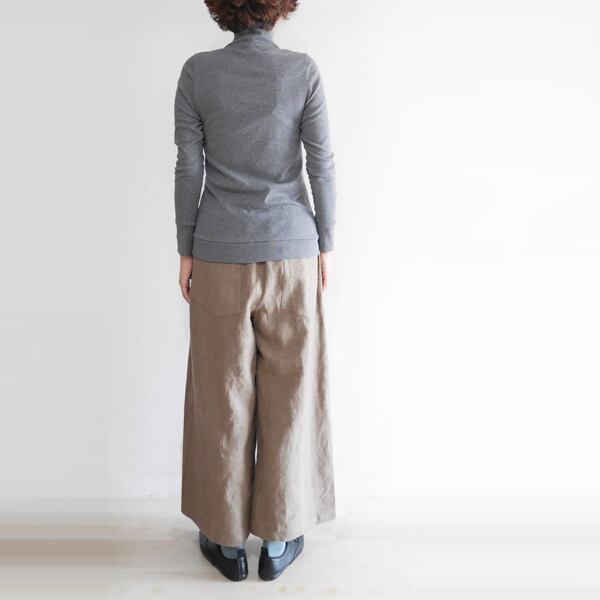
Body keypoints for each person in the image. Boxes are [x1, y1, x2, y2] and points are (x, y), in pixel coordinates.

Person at [173, 0, 337, 582]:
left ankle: (225, 541)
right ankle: (278, 539)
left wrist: (186, 249)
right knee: (291, 394)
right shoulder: (302, 71)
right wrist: (325, 243)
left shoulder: (198, 72)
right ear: (279, 8)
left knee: (222, 394)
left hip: (219, 252)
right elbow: (321, 163)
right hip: (292, 251)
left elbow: (188, 167)